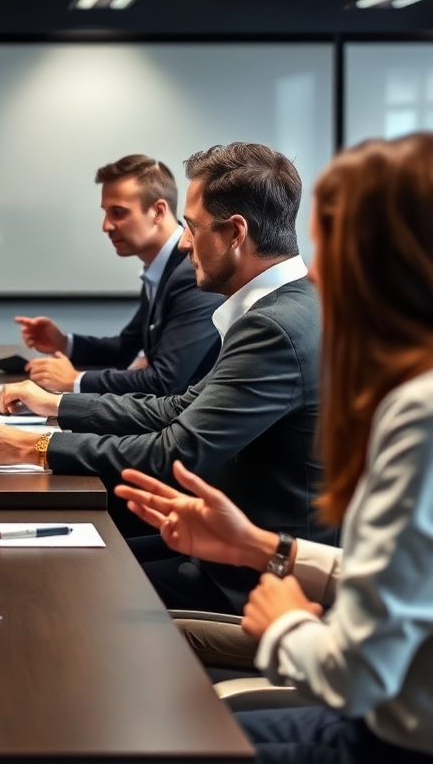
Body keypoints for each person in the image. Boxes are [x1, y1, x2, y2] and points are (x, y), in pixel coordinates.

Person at [116, 133, 433, 764]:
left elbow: (359, 675)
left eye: (332, 252)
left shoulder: (416, 412)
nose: (315, 275)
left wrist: (287, 622)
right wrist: (266, 547)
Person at [0, 142, 333, 610]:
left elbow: (178, 447)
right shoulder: (289, 305)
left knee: (55, 585)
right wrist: (58, 405)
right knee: (51, 559)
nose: (184, 242)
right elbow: (179, 406)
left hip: (253, 580)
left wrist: (31, 446)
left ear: (235, 233)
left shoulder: (272, 326)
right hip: (229, 548)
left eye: (191, 227)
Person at [15, 154, 222, 396]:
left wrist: (75, 381)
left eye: (118, 212)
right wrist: (63, 343)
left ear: (157, 211)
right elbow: (126, 348)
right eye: (105, 212)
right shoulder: (162, 268)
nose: (106, 226)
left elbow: (165, 381)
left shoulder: (190, 272)